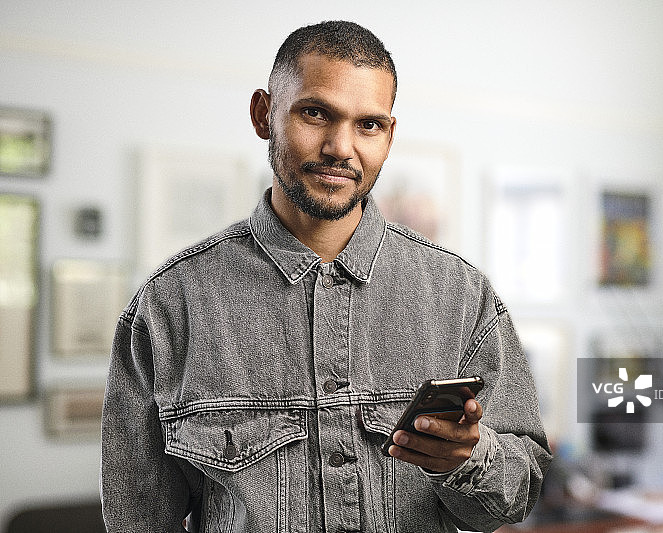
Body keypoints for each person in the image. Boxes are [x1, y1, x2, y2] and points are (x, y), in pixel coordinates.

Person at [101, 20, 551, 533]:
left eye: (368, 125)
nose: (341, 147)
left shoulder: (463, 298)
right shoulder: (168, 307)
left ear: (390, 134)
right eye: (315, 113)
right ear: (263, 114)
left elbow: (519, 496)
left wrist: (469, 460)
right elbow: (135, 521)